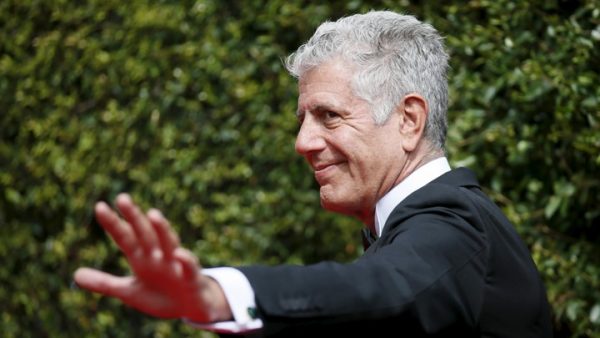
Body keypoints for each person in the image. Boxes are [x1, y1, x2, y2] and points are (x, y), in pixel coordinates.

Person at [74, 10, 553, 337]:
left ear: (409, 120)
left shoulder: (453, 223)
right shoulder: (412, 229)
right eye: (303, 120)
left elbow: (387, 291)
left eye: (329, 116)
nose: (303, 143)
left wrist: (222, 293)